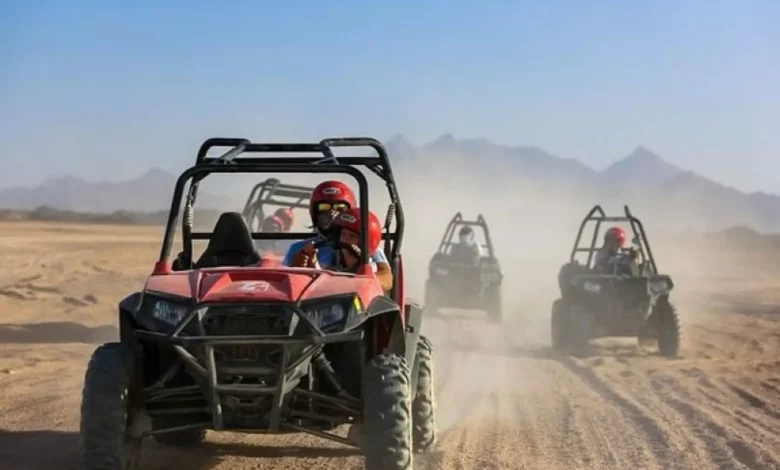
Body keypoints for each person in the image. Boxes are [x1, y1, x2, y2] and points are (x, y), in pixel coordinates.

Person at [288, 207, 395, 292]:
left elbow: (386, 279)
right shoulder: (330, 250)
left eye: (352, 236)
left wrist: (366, 280)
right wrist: (311, 264)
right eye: (343, 234)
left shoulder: (371, 262)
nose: (345, 239)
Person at [282, 179, 356, 265]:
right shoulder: (300, 249)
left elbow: (373, 275)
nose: (331, 212)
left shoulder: (365, 247)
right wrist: (295, 267)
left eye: (339, 207)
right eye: (324, 207)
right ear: (315, 212)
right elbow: (285, 276)